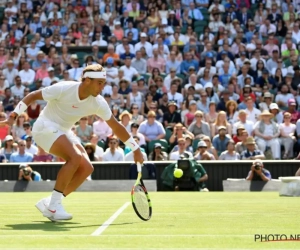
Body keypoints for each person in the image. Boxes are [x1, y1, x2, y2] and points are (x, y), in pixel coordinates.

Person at [0, 64, 144, 222]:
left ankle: (50, 202)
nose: (103, 87)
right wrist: (13, 115)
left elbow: (116, 125)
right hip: (44, 127)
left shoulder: (98, 102)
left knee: (87, 168)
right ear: (87, 81)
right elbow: (32, 96)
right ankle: (54, 207)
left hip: (63, 131)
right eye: (100, 83)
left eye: (104, 83)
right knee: (74, 157)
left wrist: (135, 148)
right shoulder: (63, 88)